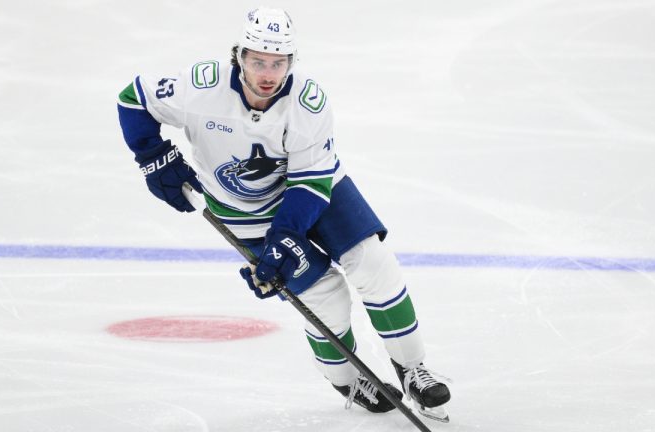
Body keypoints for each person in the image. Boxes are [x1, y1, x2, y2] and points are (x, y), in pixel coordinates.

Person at [116, 7, 451, 421]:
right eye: (258, 61)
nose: (268, 73)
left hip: (315, 191)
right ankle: (349, 380)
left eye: (279, 62)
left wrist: (283, 239)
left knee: (373, 264)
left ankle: (411, 368)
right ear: (239, 55)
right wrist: (152, 156)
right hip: (244, 211)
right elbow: (133, 97)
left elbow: (310, 183)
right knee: (325, 299)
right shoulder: (200, 86)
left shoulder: (308, 103)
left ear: (292, 61)